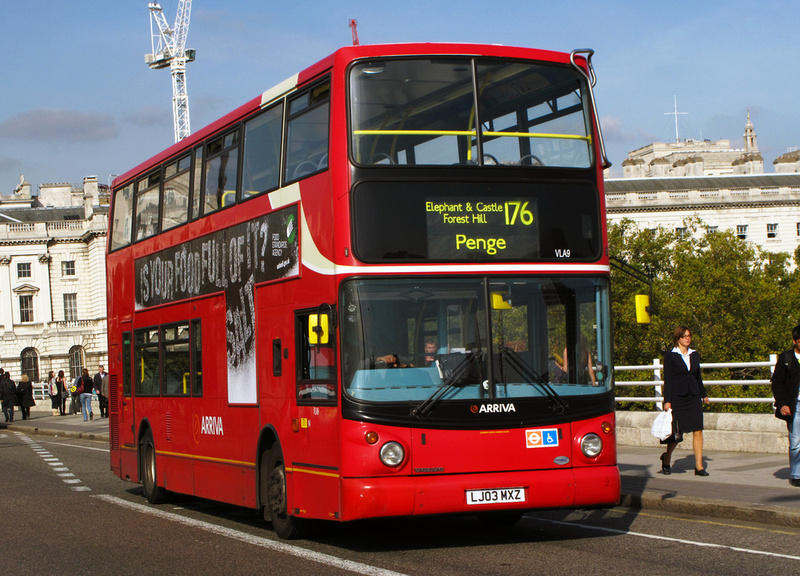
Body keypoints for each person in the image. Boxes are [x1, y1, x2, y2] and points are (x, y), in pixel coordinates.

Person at [660, 326, 710, 476]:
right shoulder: (670, 355)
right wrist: (667, 400)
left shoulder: (695, 355)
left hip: (693, 396)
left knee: (698, 429)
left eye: (689, 336)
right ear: (678, 338)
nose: (687, 338)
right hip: (678, 397)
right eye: (684, 336)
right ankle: (667, 458)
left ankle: (699, 466)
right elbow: (668, 379)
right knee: (676, 432)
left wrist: (703, 395)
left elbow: (697, 377)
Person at [770, 324, 800, 487]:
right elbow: (777, 383)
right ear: (795, 341)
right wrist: (781, 404)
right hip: (795, 406)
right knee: (795, 442)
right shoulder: (787, 358)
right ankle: (796, 474)